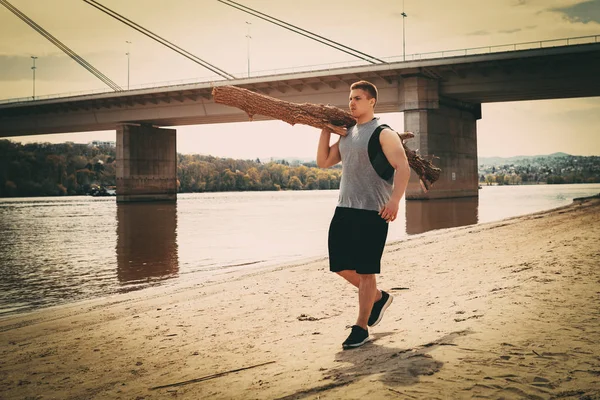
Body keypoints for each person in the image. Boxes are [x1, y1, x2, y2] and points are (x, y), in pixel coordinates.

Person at [316, 80, 410, 349]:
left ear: (371, 102)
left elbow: (402, 168)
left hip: (373, 212)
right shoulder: (348, 133)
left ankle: (361, 327)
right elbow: (323, 162)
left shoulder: (383, 132)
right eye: (350, 98)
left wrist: (394, 201)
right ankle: (378, 298)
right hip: (345, 208)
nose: (352, 103)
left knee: (367, 272)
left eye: (358, 98)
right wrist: (325, 130)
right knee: (340, 266)